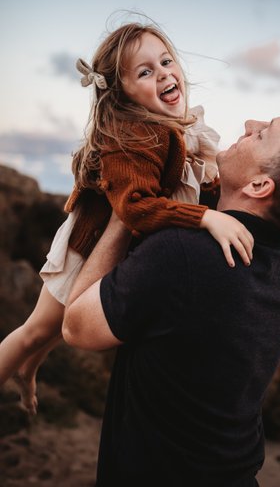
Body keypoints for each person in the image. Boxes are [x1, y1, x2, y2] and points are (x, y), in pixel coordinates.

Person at [62, 114, 280, 486]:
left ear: (260, 185)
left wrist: (126, 211)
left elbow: (76, 327)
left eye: (263, 135)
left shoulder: (182, 254)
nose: (250, 123)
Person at [0, 22, 254, 415]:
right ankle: (23, 365)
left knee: (48, 334)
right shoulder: (132, 136)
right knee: (35, 330)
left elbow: (189, 184)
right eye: (145, 71)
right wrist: (205, 219)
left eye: (166, 61)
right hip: (86, 248)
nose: (165, 73)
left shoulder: (174, 127)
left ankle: (29, 370)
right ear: (122, 94)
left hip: (118, 248)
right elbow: (135, 207)